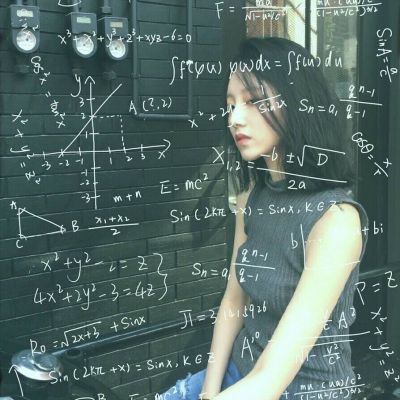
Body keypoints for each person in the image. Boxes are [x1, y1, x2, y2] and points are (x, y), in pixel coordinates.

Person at [159, 37, 368, 400]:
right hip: (240, 372)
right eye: (231, 105)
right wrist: (208, 389)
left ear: (298, 102)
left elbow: (271, 380)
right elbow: (233, 301)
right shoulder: (252, 198)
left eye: (253, 101)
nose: (235, 118)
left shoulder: (335, 221)